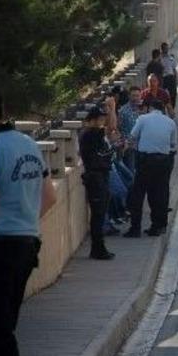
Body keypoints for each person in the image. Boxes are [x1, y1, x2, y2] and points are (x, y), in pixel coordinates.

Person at [0, 82, 57, 356]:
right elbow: (50, 197)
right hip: (26, 245)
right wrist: (23, 222)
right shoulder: (29, 145)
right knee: (4, 328)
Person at [124, 100, 176, 238]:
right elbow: (173, 143)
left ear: (149, 108)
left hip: (145, 161)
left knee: (138, 194)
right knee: (159, 194)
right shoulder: (170, 122)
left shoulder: (143, 118)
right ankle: (158, 226)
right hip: (163, 162)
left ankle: (135, 228)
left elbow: (132, 136)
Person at [79, 107, 116, 260]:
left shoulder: (94, 134)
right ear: (92, 119)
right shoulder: (91, 134)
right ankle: (97, 250)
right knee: (98, 215)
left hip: (100, 176)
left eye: (103, 118)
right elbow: (112, 128)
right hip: (95, 177)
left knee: (100, 214)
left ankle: (100, 248)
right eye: (100, 119)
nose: (103, 121)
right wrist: (113, 107)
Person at [118, 86, 145, 172]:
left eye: (137, 95)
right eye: (133, 95)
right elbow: (118, 127)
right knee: (131, 171)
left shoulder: (143, 109)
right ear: (129, 96)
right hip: (129, 147)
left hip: (142, 145)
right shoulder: (123, 110)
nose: (136, 98)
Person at [160, 42, 178, 109]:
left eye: (167, 48)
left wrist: (176, 79)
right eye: (165, 48)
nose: (167, 50)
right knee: (161, 94)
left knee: (173, 94)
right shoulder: (159, 59)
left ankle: (172, 108)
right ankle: (162, 108)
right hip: (163, 78)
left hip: (171, 77)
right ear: (162, 49)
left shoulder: (171, 58)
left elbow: (174, 69)